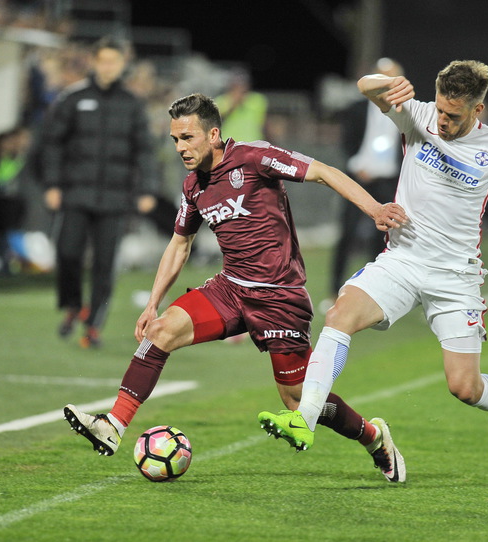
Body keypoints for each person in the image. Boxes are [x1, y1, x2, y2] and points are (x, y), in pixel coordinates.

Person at [258, 60, 488, 464]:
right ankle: (305, 419)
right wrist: (387, 83)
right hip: (402, 261)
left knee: (464, 388)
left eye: (453, 115)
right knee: (338, 317)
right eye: (439, 109)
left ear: (477, 110)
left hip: (456, 278)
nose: (442, 121)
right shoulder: (418, 115)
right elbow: (364, 86)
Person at [63, 93, 410, 483]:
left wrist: (376, 209)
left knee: (296, 399)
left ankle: (375, 438)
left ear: (213, 134)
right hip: (229, 290)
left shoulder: (254, 157)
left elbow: (324, 171)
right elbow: (180, 243)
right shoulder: (194, 185)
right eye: (176, 139)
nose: (180, 147)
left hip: (280, 296)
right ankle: (114, 424)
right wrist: (152, 304)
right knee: (159, 332)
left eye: (188, 137)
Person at [39, 37, 158, 348]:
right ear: (93, 62)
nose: (108, 67)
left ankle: (93, 327)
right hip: (76, 193)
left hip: (115, 198)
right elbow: (52, 143)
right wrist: (52, 184)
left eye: (113, 61)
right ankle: (73, 305)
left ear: (121, 65)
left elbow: (145, 150)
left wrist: (147, 189)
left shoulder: (132, 104)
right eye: (103, 60)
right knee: (67, 253)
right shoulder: (73, 97)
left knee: (105, 265)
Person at [328, 57, 404, 300]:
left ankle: (374, 290)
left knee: (382, 238)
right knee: (347, 233)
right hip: (358, 178)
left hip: (387, 181)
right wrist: (357, 166)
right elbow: (347, 143)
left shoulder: (407, 111)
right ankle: (334, 288)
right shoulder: (357, 108)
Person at [214, 67, 267, 143]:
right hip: (229, 144)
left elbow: (262, 123)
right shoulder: (222, 100)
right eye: (236, 85)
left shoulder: (257, 99)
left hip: (252, 144)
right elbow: (217, 120)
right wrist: (234, 102)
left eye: (242, 84)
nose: (240, 88)